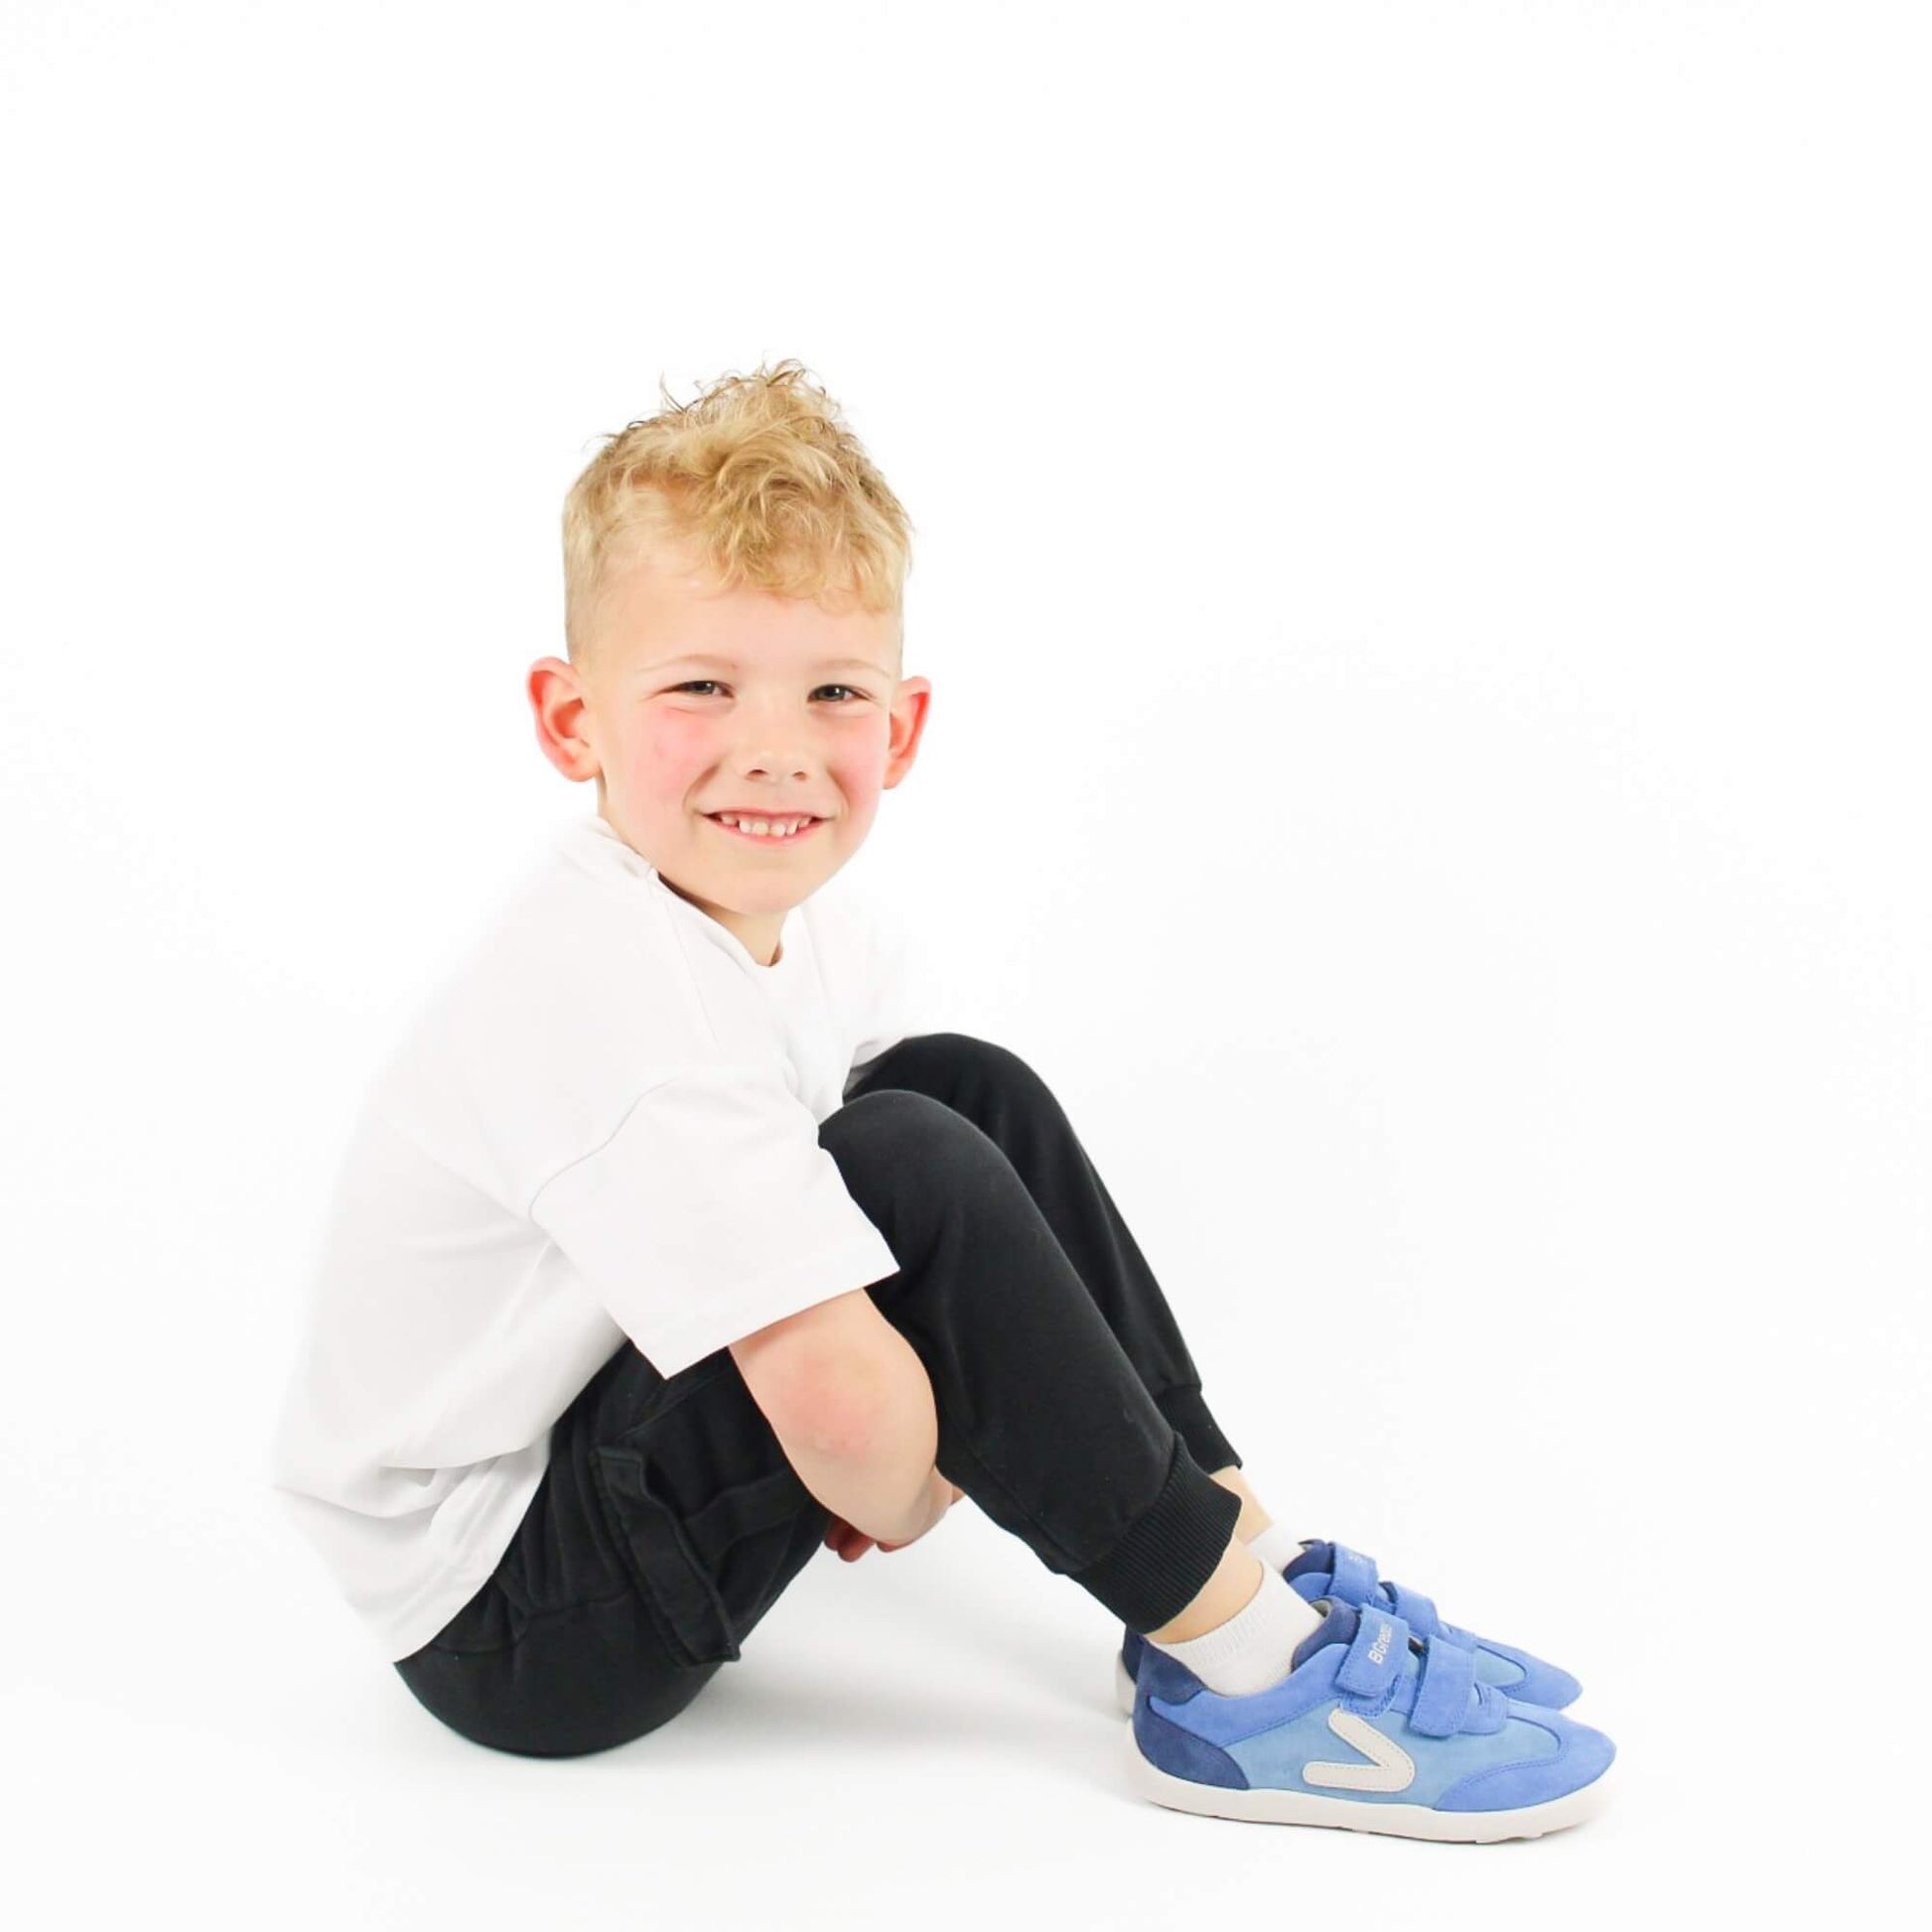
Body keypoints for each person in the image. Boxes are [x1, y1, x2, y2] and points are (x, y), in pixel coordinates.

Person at [266, 358, 1614, 1842]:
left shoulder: (801, 934)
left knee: (949, 1089)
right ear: (568, 717)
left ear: (899, 730)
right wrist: (910, 1446)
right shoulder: (615, 1001)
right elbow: (878, 1468)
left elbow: (881, 1299)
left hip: (589, 1463)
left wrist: (912, 1399)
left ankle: (1227, 1563)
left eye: (829, 691)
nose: (773, 744)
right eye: (700, 685)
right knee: (900, 1159)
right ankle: (1246, 1673)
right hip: (516, 1628)